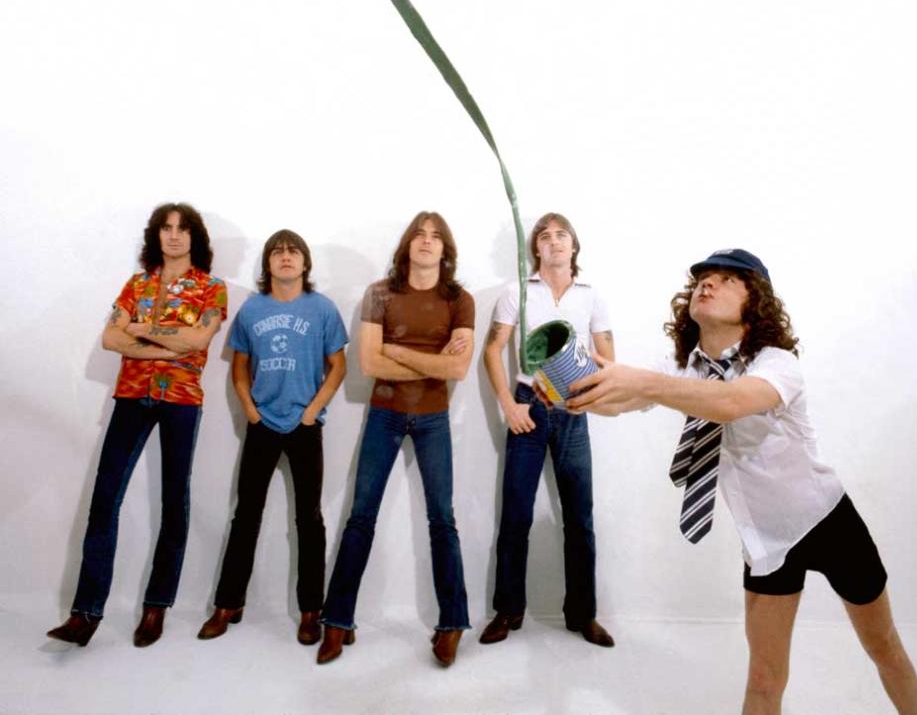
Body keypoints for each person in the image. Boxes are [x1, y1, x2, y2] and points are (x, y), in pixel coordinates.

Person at [567, 248, 917, 715]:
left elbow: (732, 402)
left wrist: (643, 383)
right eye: (701, 279)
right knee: (763, 677)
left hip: (829, 523)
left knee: (884, 647)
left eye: (725, 279)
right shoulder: (685, 367)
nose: (706, 285)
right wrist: (564, 394)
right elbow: (617, 401)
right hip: (766, 541)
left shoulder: (777, 363)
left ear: (754, 301)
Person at [47, 203, 227, 648]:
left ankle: (156, 607)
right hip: (131, 397)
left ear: (195, 238)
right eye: (166, 229)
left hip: (182, 402)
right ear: (155, 236)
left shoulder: (212, 288)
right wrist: (169, 346)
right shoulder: (137, 283)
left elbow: (200, 339)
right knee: (105, 499)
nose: (174, 236)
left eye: (183, 229)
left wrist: (140, 334)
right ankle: (84, 614)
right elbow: (111, 338)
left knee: (173, 502)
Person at [318, 211, 474, 667]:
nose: (426, 242)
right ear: (407, 245)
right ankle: (337, 621)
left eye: (436, 237)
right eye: (419, 235)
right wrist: (428, 360)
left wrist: (392, 347)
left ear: (445, 250)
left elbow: (458, 370)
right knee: (360, 517)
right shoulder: (379, 294)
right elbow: (369, 365)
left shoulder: (459, 299)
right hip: (384, 416)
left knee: (442, 520)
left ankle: (451, 625)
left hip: (433, 419)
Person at [197, 229, 347, 645]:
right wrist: (248, 407)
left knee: (309, 518)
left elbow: (339, 365)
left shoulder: (322, 309)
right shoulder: (252, 311)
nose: (285, 257)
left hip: (304, 425)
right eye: (277, 251)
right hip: (263, 424)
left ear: (305, 262)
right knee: (246, 515)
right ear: (267, 264)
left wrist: (313, 411)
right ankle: (228, 603)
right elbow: (239, 365)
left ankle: (311, 609)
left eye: (293, 250)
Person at [479, 212, 616, 649]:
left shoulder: (591, 297)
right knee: (516, 514)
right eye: (545, 236)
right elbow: (493, 350)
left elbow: (609, 359)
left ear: (574, 247)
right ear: (535, 248)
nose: (554, 242)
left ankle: (583, 614)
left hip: (573, 410)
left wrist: (581, 381)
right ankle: (508, 611)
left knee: (579, 518)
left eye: (562, 236)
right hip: (528, 409)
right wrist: (509, 405)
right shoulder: (517, 293)